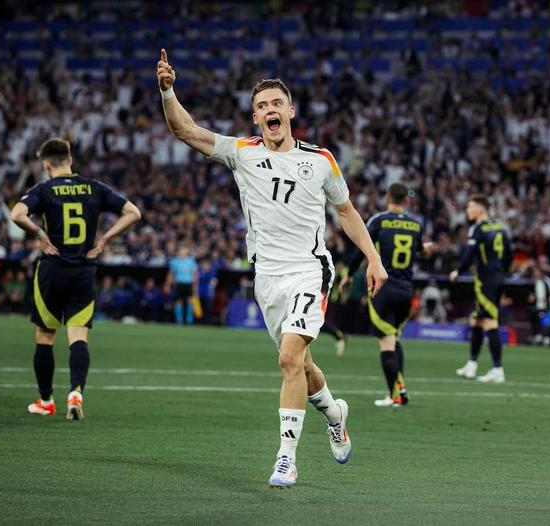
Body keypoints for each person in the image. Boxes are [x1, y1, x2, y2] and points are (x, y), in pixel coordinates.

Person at [157, 50, 387, 488]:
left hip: (309, 270)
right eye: (262, 106)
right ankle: (334, 414)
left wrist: (373, 259)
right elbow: (185, 130)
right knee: (302, 364)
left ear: (290, 111)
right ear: (255, 117)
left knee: (288, 358)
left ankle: (286, 458)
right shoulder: (241, 152)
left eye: (277, 103)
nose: (270, 110)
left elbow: (347, 211)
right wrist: (168, 91)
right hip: (267, 277)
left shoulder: (321, 160)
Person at [10, 138, 141, 420]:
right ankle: (75, 393)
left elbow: (17, 214)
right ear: (70, 159)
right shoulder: (94, 188)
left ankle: (46, 401)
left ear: (46, 165)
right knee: (78, 335)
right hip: (84, 270)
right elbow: (134, 213)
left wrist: (39, 234)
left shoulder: (44, 189)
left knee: (45, 336)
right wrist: (105, 239)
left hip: (52, 269)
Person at [340, 183, 433, 407]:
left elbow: (361, 249)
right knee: (394, 338)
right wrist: (426, 248)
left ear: (387, 198)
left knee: (386, 343)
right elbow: (421, 251)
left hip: (383, 288)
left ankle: (396, 396)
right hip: (406, 291)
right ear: (406, 201)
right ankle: (401, 390)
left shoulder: (379, 221)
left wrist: (349, 275)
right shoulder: (415, 224)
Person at [450, 194, 512, 383]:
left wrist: (458, 271)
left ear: (481, 208)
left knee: (489, 322)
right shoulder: (500, 228)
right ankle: (471, 365)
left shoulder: (477, 228)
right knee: (476, 320)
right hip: (499, 277)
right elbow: (509, 256)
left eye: (470, 207)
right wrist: (501, 274)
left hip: (486, 279)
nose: (468, 211)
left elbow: (470, 254)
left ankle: (497, 369)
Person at [167, 246, 198, 324]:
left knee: (190, 301)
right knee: (178, 301)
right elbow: (171, 274)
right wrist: (168, 284)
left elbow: (194, 274)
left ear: (187, 252)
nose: (182, 252)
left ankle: (189, 320)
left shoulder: (191, 261)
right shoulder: (174, 261)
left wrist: (195, 285)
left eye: (184, 250)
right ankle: (179, 320)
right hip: (179, 283)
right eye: (181, 250)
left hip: (188, 283)